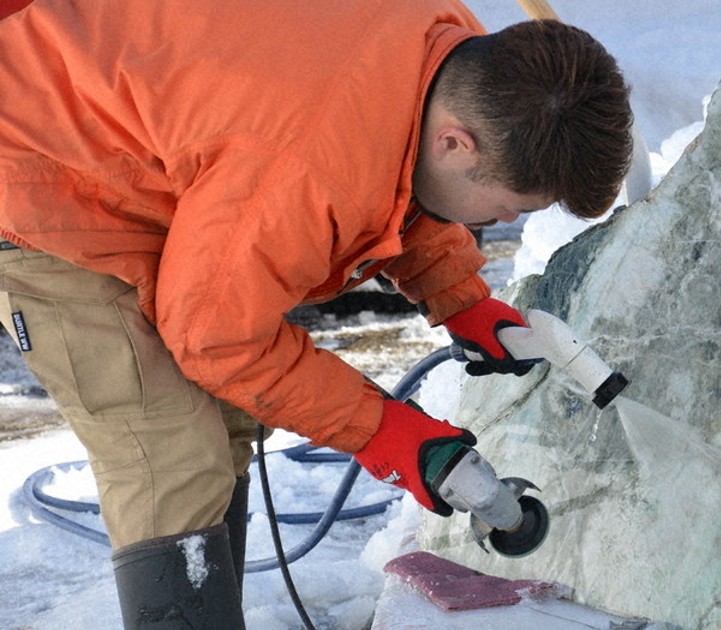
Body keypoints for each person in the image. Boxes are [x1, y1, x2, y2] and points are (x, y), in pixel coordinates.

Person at [0, 0, 633, 627]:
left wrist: (460, 297)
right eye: (504, 208)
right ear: (455, 141)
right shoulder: (302, 167)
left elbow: (401, 167)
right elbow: (217, 339)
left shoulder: (457, 49)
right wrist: (386, 431)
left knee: (227, 426)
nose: (501, 225)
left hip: (145, 141)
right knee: (170, 455)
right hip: (35, 174)